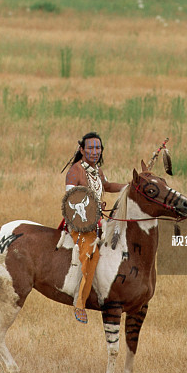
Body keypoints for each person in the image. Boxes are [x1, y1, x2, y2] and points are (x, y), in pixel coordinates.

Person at [62, 132, 125, 323]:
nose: (95, 151)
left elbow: (107, 186)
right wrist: (91, 216)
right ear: (82, 150)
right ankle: (80, 302)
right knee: (91, 254)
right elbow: (71, 201)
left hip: (96, 221)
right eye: (90, 148)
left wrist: (129, 186)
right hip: (79, 223)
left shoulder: (97, 170)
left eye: (98, 148)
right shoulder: (75, 171)